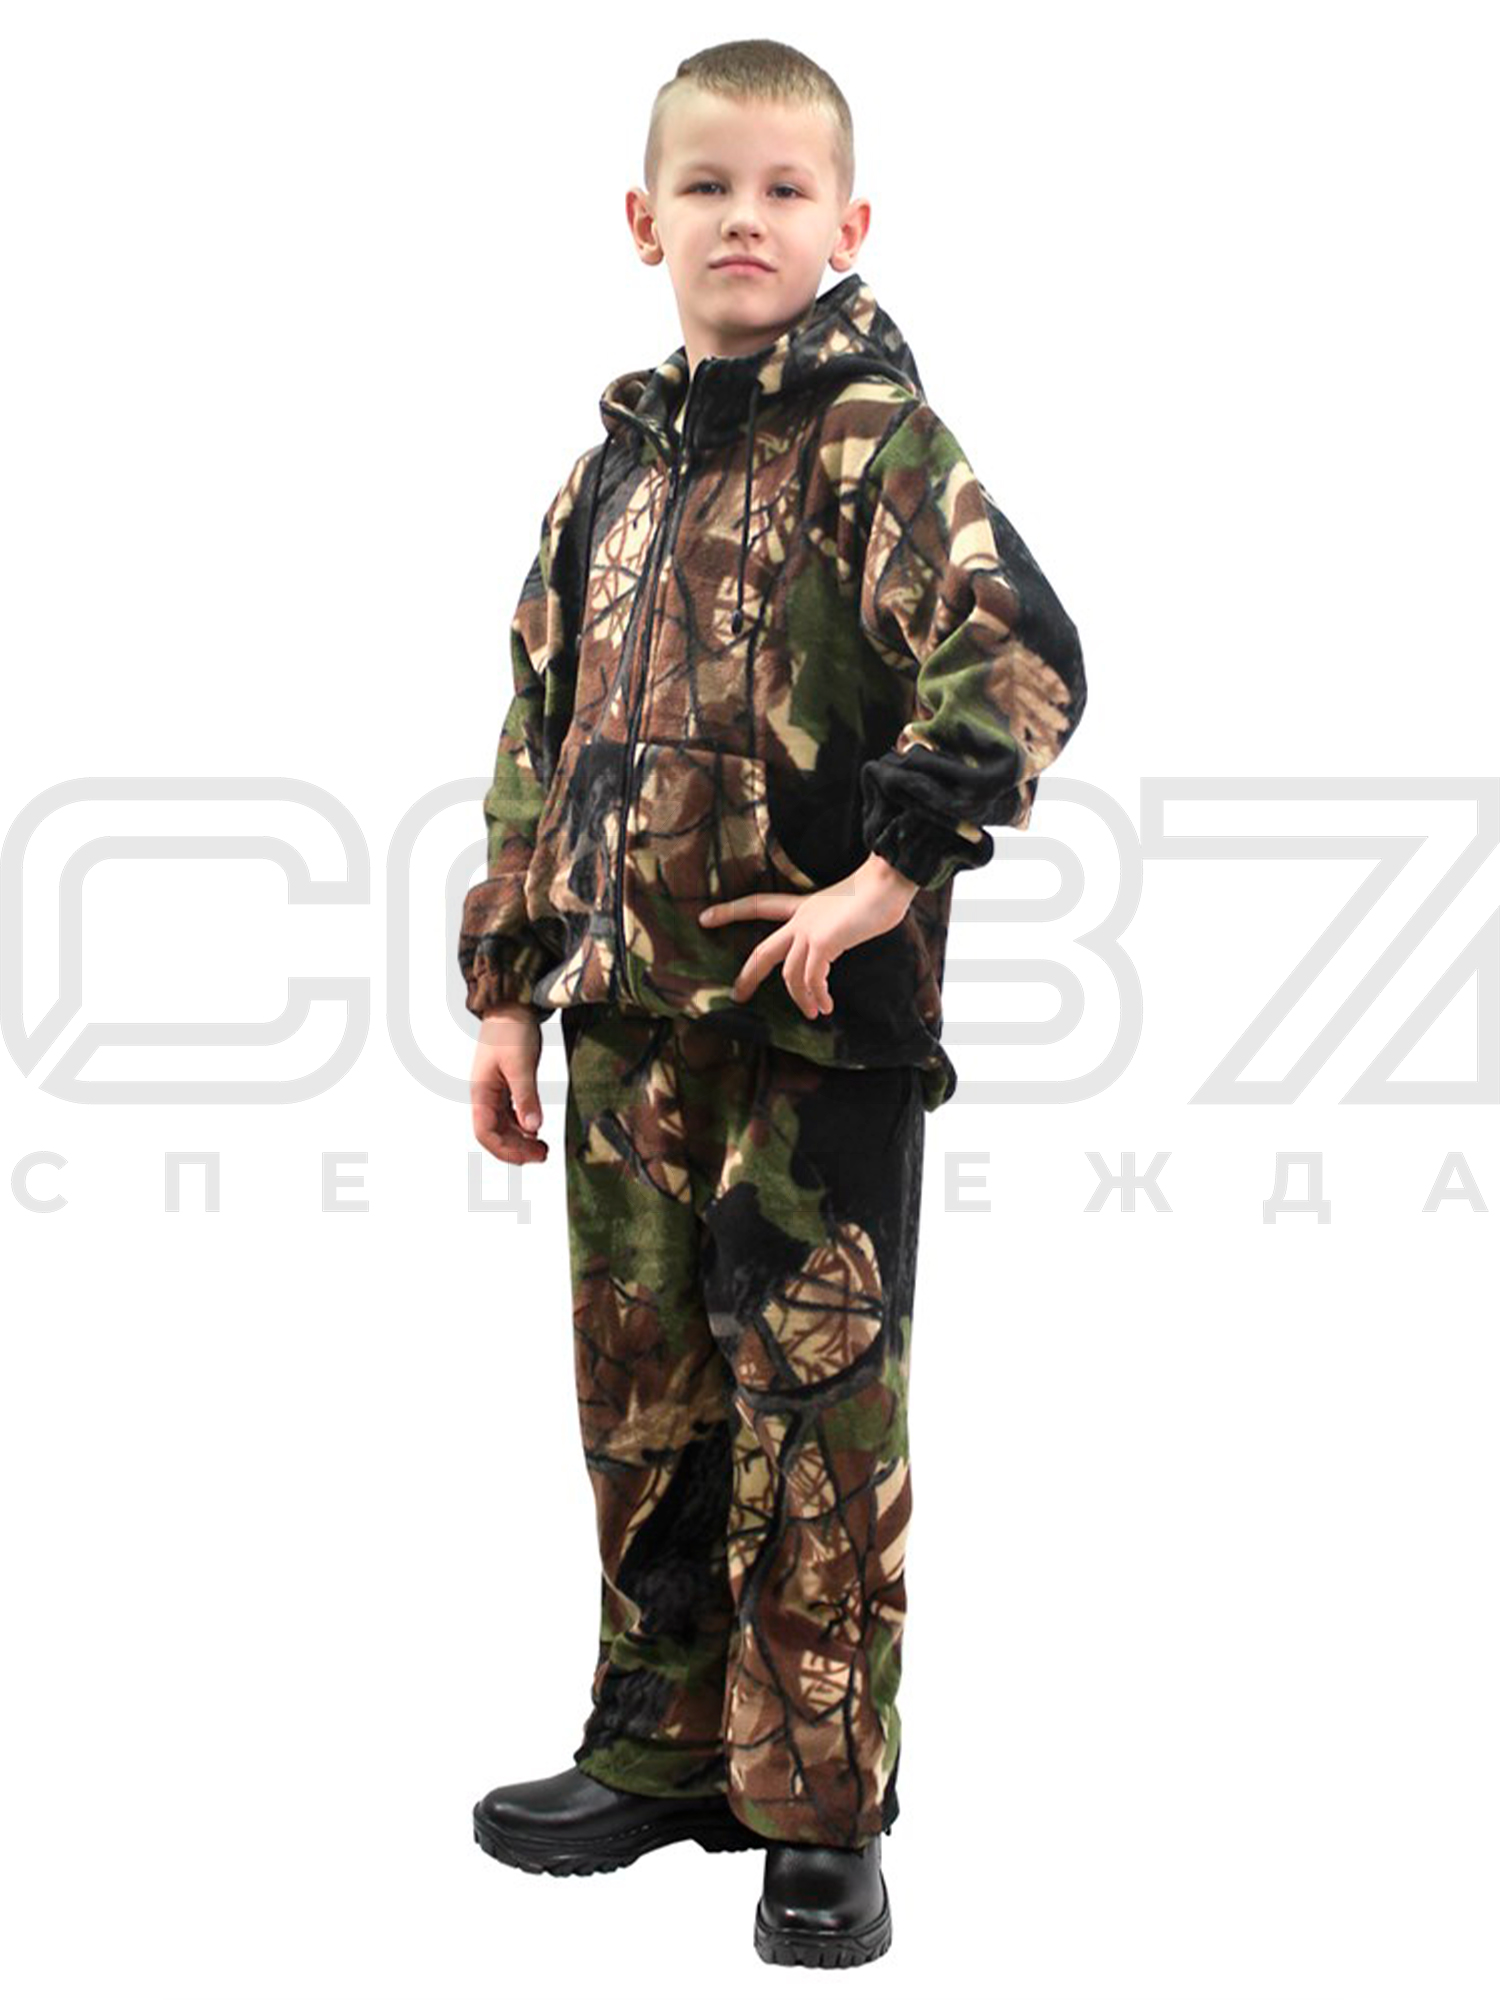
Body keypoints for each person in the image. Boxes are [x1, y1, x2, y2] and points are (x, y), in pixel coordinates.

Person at [459, 38, 1086, 1970]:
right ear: (643, 222)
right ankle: (661, 1747)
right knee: (644, 1395)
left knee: (814, 1406)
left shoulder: (881, 449)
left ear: (848, 223)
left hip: (816, 1037)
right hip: (622, 1027)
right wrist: (506, 993)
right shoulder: (605, 480)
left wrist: (888, 874)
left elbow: (1022, 659)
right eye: (710, 187)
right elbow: (535, 735)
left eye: (786, 189)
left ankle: (818, 1809)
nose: (747, 218)